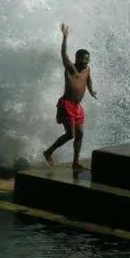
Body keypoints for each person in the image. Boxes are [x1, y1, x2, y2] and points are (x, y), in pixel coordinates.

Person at [43, 23, 97, 169]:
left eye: (88, 59)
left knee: (80, 134)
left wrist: (91, 91)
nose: (87, 61)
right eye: (84, 59)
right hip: (66, 104)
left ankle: (76, 162)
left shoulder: (87, 69)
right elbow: (63, 54)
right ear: (77, 58)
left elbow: (88, 79)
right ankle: (48, 152)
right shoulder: (71, 68)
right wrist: (65, 37)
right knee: (70, 134)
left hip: (77, 107)